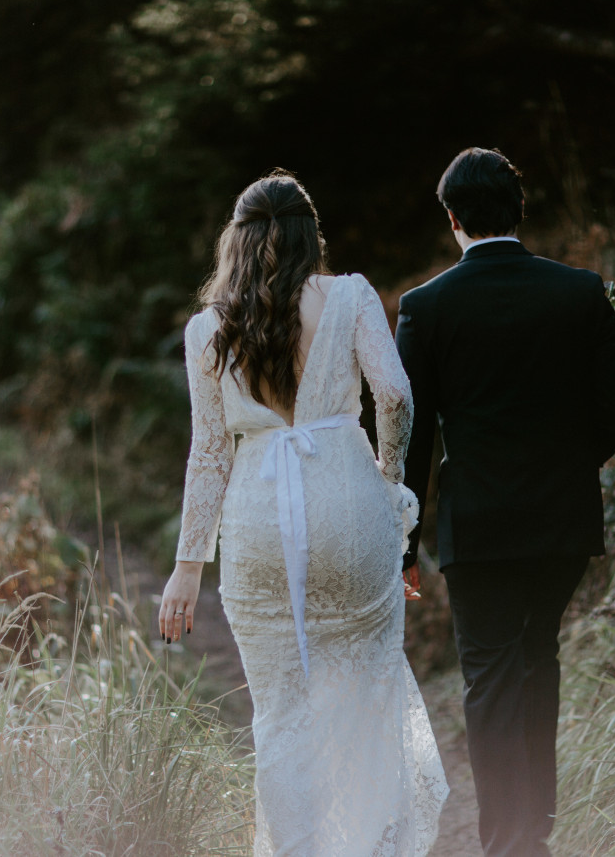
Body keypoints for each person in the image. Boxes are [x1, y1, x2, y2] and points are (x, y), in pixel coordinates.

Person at [159, 173, 448, 855]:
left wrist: (185, 568)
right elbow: (397, 397)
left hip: (258, 522)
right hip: (349, 506)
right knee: (366, 691)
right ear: (308, 237)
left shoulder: (208, 328)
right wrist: (389, 482)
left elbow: (208, 454)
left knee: (282, 715)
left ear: (237, 240)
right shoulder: (349, 295)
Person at [395, 147, 615, 856]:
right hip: (562, 523)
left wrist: (403, 546)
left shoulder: (427, 306)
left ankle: (509, 841)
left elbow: (409, 440)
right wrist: (566, 466)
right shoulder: (577, 291)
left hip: (477, 527)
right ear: (518, 211)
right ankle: (535, 831)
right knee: (537, 656)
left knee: (491, 674)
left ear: (453, 219)